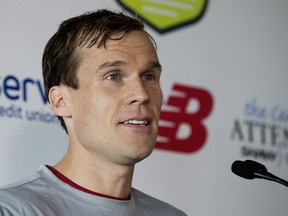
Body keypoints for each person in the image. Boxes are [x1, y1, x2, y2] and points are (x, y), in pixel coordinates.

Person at [0, 9, 186, 216]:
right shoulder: (11, 210)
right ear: (61, 101)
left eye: (149, 76)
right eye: (113, 77)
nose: (141, 94)